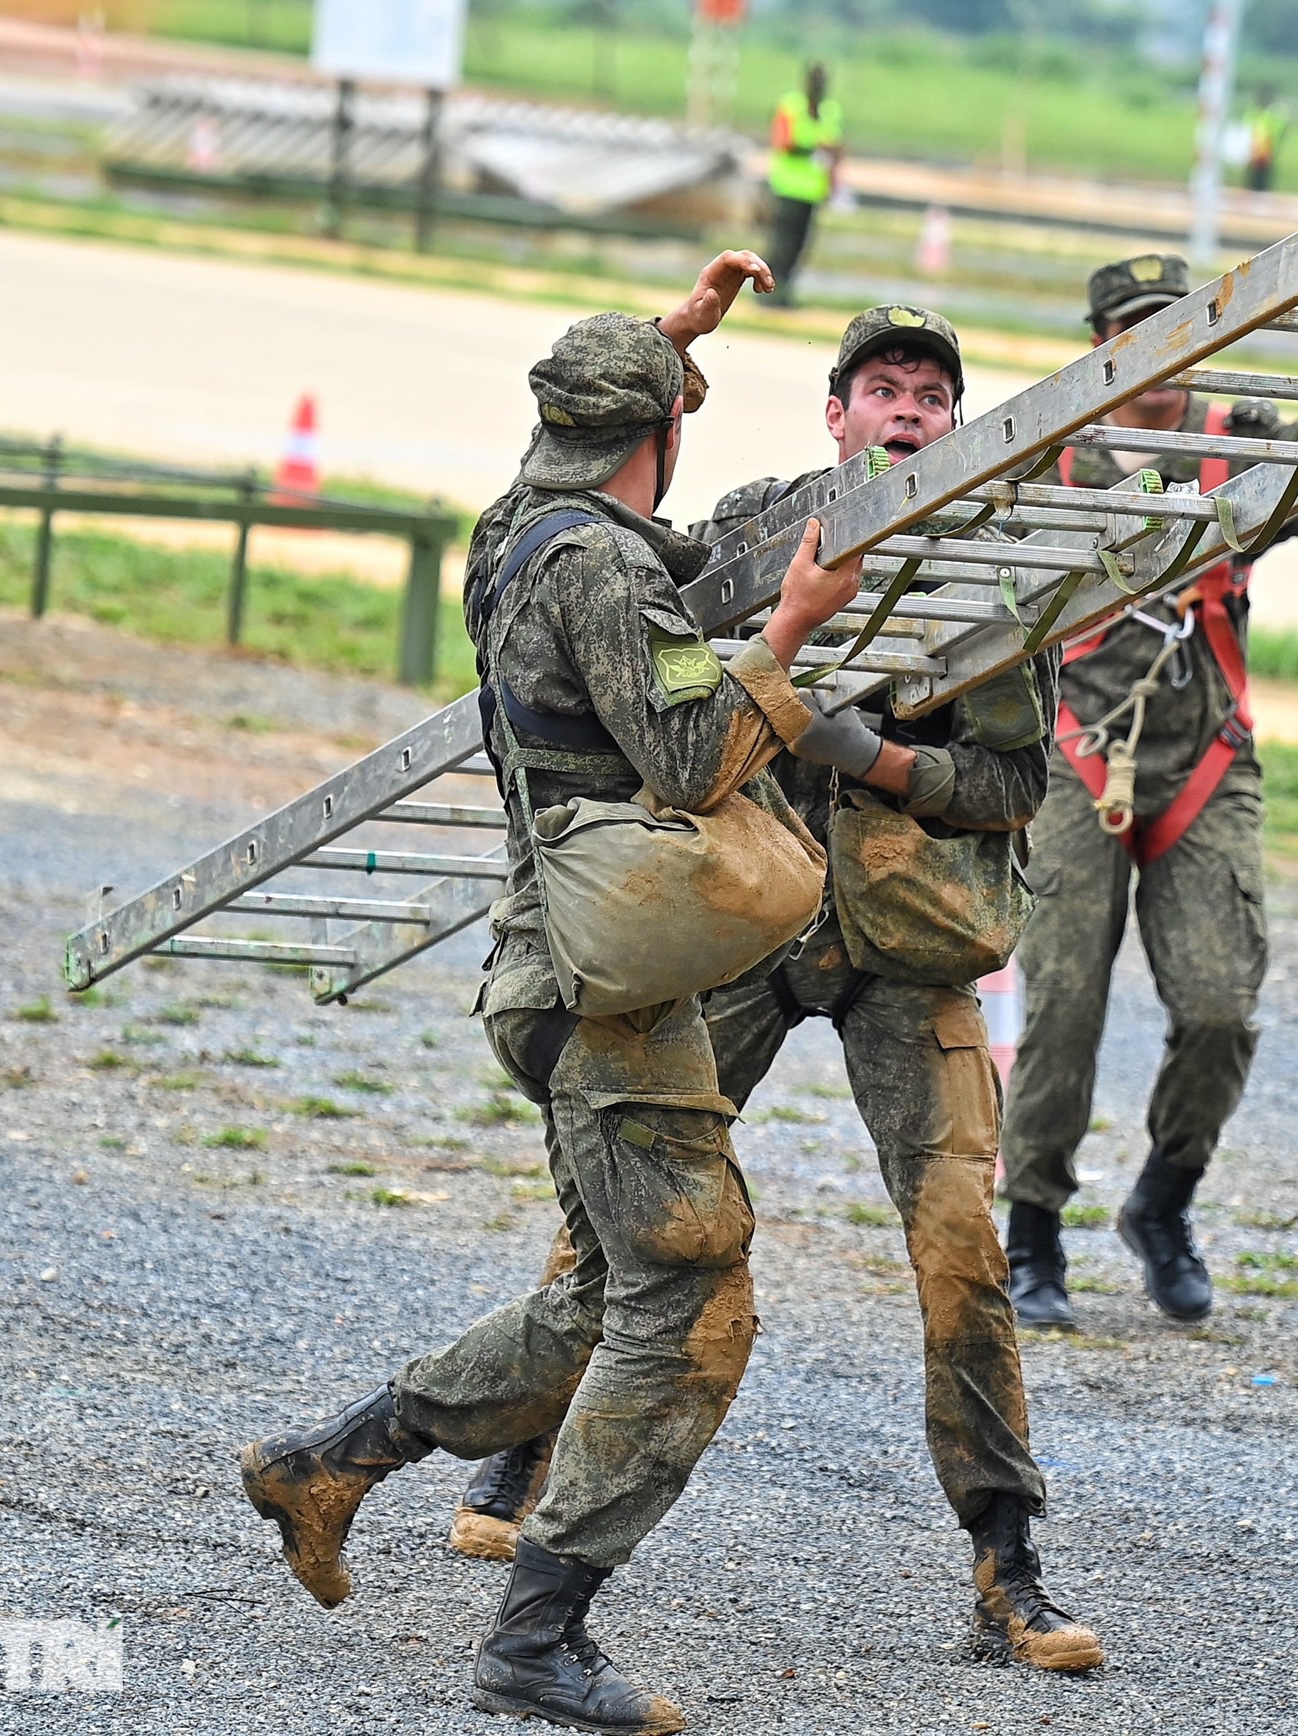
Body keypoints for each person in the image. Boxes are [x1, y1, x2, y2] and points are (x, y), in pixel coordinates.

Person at [235, 251, 872, 1736]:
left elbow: (581, 447)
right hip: (607, 979)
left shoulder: (514, 530)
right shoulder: (603, 565)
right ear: (654, 439)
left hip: (566, 965)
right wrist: (792, 627)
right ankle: (537, 1639)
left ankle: (326, 1464)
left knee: (601, 1293)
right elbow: (695, 761)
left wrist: (662, 341)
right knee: (692, 1294)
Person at [449, 304, 1102, 1676]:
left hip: (904, 940)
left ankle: (1008, 1566)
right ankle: (515, 1468)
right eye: (883, 386)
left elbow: (1013, 786)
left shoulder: (994, 561)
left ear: (959, 419)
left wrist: (874, 758)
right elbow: (628, 612)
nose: (909, 407)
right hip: (749, 923)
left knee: (959, 1253)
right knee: (628, 1206)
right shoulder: (759, 527)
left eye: (933, 389)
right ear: (837, 414)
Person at [998, 253, 1298, 1331]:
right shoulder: (1045, 454)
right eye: (1134, 333)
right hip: (1076, 753)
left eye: (1179, 332)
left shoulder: (1236, 436)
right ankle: (1031, 1228)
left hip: (1203, 759)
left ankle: (1163, 1199)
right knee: (1064, 1002)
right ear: (1098, 343)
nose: (1159, 358)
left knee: (1220, 1002)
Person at [765, 62, 843, 307]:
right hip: (788, 186)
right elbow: (782, 141)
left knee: (801, 245)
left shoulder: (831, 111)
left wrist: (832, 183)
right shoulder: (791, 107)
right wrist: (815, 146)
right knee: (782, 243)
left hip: (812, 190)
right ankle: (768, 292)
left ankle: (786, 291)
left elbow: (835, 151)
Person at [1243, 87, 1287, 193]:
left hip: (1267, 149)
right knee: (1252, 179)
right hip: (1254, 150)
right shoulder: (1254, 112)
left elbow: (1278, 132)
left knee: (1262, 178)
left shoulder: (1274, 113)